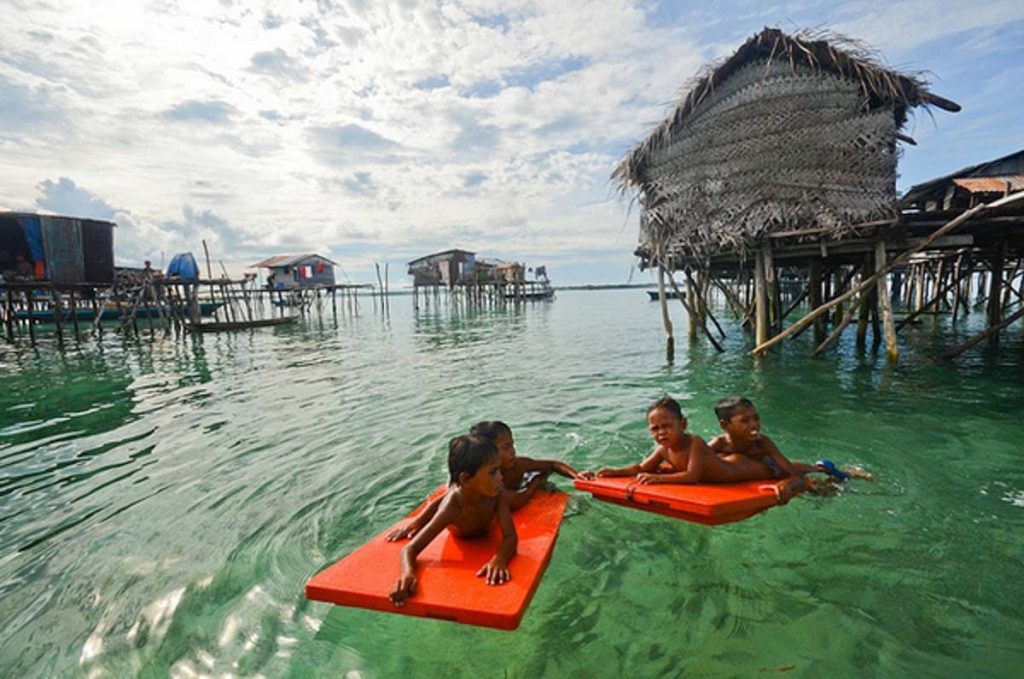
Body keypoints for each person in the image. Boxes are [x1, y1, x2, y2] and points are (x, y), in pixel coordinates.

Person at [387, 421, 580, 540]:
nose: (512, 451)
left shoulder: (517, 465)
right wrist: (417, 523)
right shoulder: (474, 481)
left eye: (512, 445)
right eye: (505, 448)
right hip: (508, 493)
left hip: (513, 489)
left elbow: (554, 464)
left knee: (570, 506)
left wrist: (577, 476)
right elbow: (441, 502)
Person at [389, 435, 516, 607]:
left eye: (499, 469)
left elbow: (510, 537)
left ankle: (536, 481)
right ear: (466, 479)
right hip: (459, 498)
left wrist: (499, 559)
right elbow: (410, 549)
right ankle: (422, 517)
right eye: (493, 472)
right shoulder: (452, 508)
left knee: (523, 497)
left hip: (471, 496)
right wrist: (408, 573)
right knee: (449, 495)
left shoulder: (497, 493)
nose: (501, 478)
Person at [708, 396, 871, 498]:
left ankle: (844, 473)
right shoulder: (718, 444)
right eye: (745, 421)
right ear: (725, 425)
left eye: (756, 418)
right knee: (804, 468)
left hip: (775, 469)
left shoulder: (762, 442)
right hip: (766, 467)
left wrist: (787, 484)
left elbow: (792, 474)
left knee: (820, 489)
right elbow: (695, 459)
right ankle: (823, 467)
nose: (754, 425)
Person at [584, 397, 765, 488]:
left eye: (667, 426)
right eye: (655, 429)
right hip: (725, 463)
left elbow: (692, 477)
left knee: (782, 470)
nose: (661, 432)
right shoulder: (663, 450)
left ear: (683, 424)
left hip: (742, 468)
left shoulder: (695, 442)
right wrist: (615, 472)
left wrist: (659, 478)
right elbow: (641, 468)